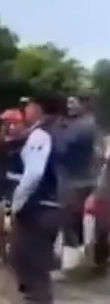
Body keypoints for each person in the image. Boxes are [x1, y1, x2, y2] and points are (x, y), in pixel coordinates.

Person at [10, 94, 62, 304]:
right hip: (52, 207)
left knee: (30, 267)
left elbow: (34, 174)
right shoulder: (58, 131)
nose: (26, 109)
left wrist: (16, 204)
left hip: (37, 209)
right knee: (39, 267)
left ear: (38, 108)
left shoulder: (41, 135)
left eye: (29, 105)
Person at [56, 94, 103, 272]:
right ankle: (80, 261)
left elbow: (61, 147)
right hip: (83, 179)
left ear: (83, 104)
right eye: (67, 102)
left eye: (72, 103)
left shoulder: (82, 126)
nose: (69, 106)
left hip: (76, 181)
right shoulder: (90, 124)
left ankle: (72, 265)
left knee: (70, 222)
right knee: (77, 223)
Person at [0, 108, 25, 261]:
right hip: (0, 185)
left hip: (14, 187)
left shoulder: (24, 142)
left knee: (8, 221)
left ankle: (5, 251)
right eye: (4, 123)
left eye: (8, 123)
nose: (5, 126)